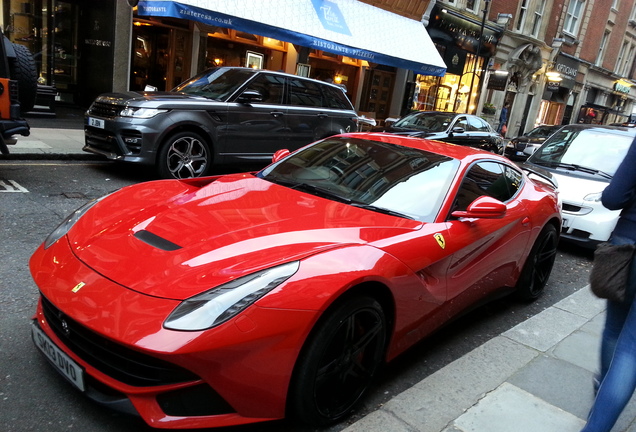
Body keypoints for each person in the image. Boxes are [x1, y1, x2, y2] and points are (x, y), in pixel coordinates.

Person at [580, 136, 636, 432]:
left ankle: (602, 389)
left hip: (629, 247)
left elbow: (614, 197)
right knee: (633, 348)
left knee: (615, 331)